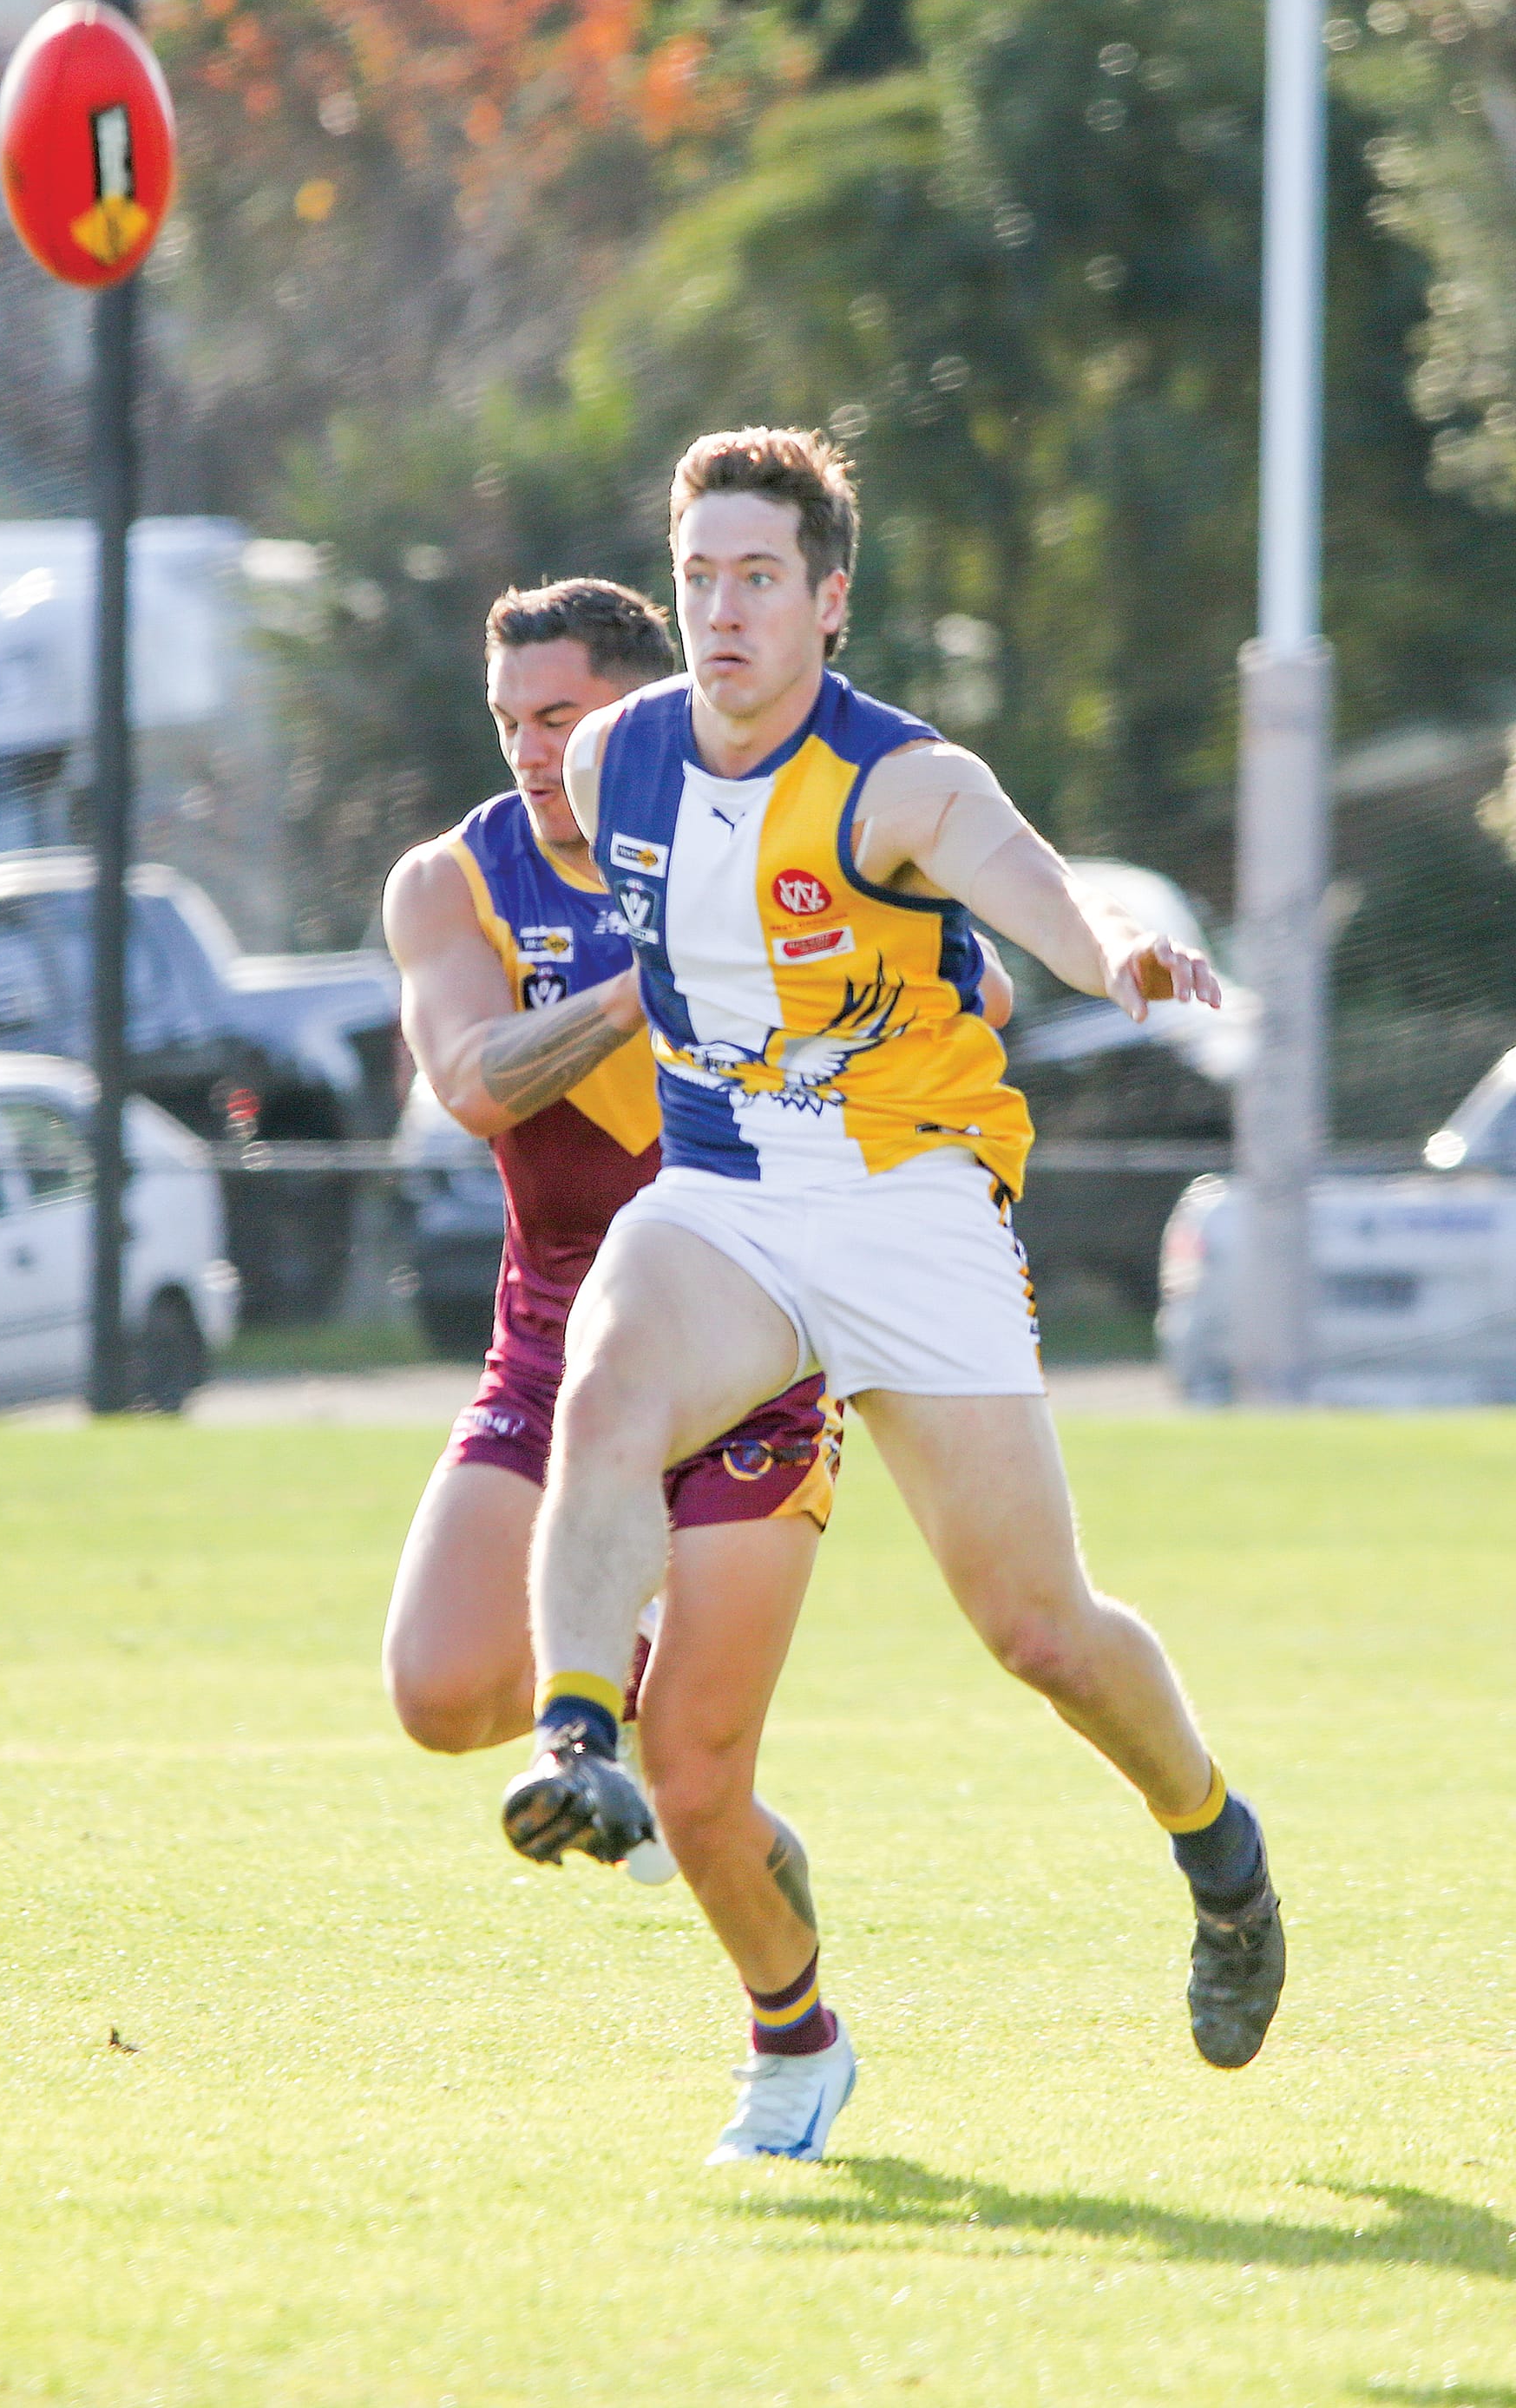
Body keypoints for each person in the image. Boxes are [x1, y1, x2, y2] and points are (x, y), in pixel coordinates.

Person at [502, 429, 1285, 2165]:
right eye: (697, 576)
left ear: (827, 602)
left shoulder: (899, 780)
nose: (721, 611)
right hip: (722, 1202)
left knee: (1039, 1632)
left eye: (758, 579)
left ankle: (1215, 1846)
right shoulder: (622, 749)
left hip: (910, 1209)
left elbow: (1038, 890)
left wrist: (1119, 955)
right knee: (610, 1388)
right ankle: (574, 1741)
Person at [384, 578, 1009, 2153]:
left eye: (564, 720)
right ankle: (652, 1729)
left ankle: (793, 2049)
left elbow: (978, 993)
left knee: (697, 1776)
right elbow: (470, 1084)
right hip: (555, 1346)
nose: (534, 752)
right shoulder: (454, 881)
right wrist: (651, 982)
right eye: (510, 721)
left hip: (761, 1349)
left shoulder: (777, 827)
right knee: (440, 1690)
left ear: (641, 715)